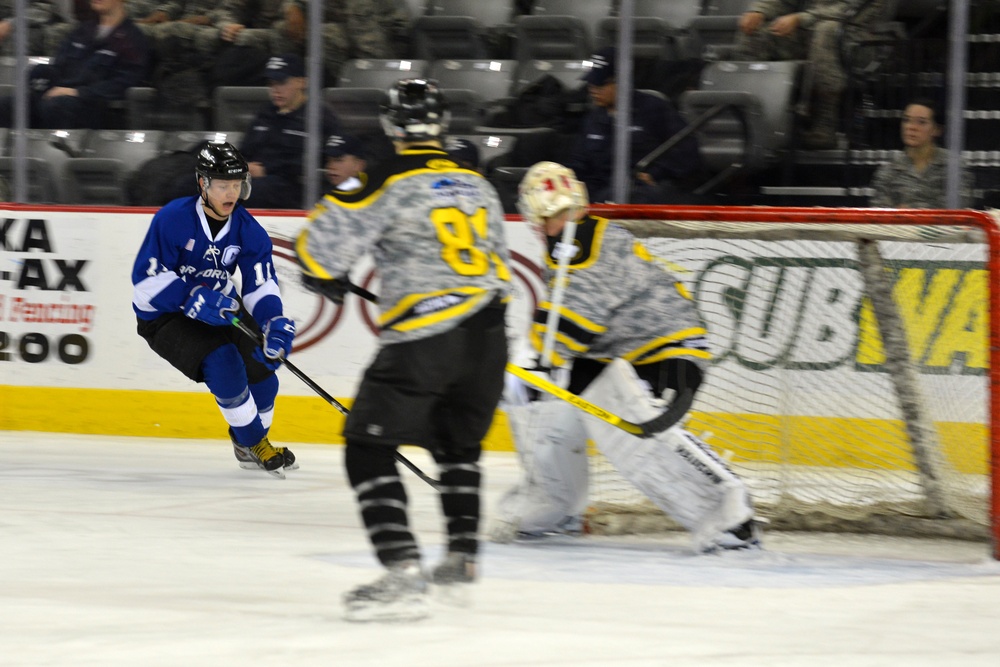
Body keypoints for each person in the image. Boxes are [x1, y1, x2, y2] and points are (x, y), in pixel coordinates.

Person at [295, 79, 512, 622]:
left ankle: (402, 570)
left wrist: (325, 278)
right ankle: (461, 559)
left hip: (425, 336)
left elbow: (319, 249)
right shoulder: (477, 184)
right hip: (489, 334)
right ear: (441, 127)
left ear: (392, 127)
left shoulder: (383, 179)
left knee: (365, 445)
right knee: (457, 445)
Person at [493, 161, 760, 554]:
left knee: (636, 440)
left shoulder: (581, 240)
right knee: (541, 406)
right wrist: (532, 368)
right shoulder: (575, 238)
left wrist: (536, 360)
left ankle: (730, 514)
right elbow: (566, 325)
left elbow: (576, 318)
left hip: (659, 352)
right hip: (620, 353)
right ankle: (554, 504)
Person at [131, 142, 298, 478]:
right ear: (202, 184)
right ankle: (255, 442)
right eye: (222, 185)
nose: (230, 193)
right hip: (166, 316)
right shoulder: (173, 219)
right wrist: (188, 295)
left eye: (236, 185)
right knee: (223, 362)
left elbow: (259, 283)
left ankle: (245, 441)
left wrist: (272, 321)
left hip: (222, 307)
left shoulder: (247, 229)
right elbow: (144, 283)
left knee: (264, 372)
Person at [735, 0, 890, 149]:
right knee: (754, 34)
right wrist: (759, 11)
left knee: (827, 30)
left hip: (861, 37)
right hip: (813, 29)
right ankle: (745, 117)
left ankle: (825, 125)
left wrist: (800, 18)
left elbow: (849, 9)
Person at [565, 46, 703, 205]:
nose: (593, 91)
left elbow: (686, 151)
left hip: (642, 191)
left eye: (600, 85)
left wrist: (656, 174)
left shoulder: (654, 109)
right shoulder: (593, 119)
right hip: (600, 190)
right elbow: (578, 161)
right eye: (591, 85)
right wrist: (564, 178)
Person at [0, 0, 149, 128]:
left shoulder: (133, 39)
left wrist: (77, 92)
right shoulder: (81, 32)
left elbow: (124, 83)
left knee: (56, 107)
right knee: (7, 105)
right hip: (58, 98)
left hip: (95, 105)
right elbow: (58, 67)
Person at [239, 53, 341, 209]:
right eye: (271, 84)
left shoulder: (319, 117)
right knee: (197, 182)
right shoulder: (265, 114)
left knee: (246, 190)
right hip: (254, 180)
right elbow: (245, 149)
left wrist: (267, 169)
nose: (275, 90)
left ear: (301, 82)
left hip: (293, 186)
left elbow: (325, 160)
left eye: (281, 82)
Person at [869, 97, 974, 208]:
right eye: (906, 120)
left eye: (921, 122)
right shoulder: (888, 171)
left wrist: (910, 213)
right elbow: (880, 215)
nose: (911, 127)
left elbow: (959, 209)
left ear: (937, 130)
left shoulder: (954, 167)